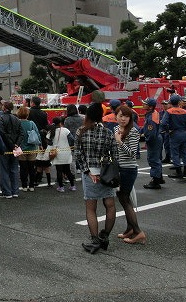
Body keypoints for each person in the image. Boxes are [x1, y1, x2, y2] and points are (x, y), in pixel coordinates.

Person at [74, 103, 118, 254]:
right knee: (110, 205)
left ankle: (94, 241)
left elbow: (78, 155)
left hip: (90, 174)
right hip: (106, 173)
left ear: (87, 116)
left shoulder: (81, 131)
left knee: (91, 208)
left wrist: (87, 171)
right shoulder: (107, 132)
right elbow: (115, 154)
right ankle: (105, 236)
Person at [113, 105, 146, 244]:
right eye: (120, 115)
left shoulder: (133, 131)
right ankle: (129, 229)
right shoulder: (115, 129)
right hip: (119, 168)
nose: (123, 119)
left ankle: (138, 232)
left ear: (130, 117)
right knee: (123, 199)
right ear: (116, 116)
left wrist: (120, 142)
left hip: (128, 169)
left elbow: (133, 153)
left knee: (125, 199)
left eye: (126, 116)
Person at [0, 101, 23, 198]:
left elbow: (2, 133)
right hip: (15, 147)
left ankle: (7, 192)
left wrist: (11, 145)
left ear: (4, 108)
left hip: (4, 147)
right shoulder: (16, 119)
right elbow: (21, 133)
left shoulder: (1, 118)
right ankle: (15, 191)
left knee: (4, 170)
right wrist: (16, 145)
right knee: (14, 169)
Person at [162, 94, 186, 179]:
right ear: (179, 102)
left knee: (175, 153)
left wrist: (168, 130)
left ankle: (178, 172)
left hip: (175, 133)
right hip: (184, 133)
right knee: (185, 152)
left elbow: (163, 123)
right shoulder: (185, 111)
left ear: (171, 102)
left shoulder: (169, 111)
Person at [140, 98, 164, 189]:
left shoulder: (151, 118)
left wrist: (147, 141)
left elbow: (151, 133)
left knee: (153, 160)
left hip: (154, 139)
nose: (143, 105)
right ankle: (159, 177)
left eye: (145, 104)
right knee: (157, 159)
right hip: (157, 138)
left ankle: (155, 181)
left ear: (150, 107)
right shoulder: (153, 114)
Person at [48, 117, 76, 192]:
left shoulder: (51, 131)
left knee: (59, 170)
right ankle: (73, 186)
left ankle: (61, 187)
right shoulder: (65, 130)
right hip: (66, 151)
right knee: (68, 170)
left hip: (56, 152)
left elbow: (49, 142)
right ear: (60, 123)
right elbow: (72, 139)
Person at [16, 106, 40, 191]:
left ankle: (24, 185)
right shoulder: (31, 123)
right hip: (32, 148)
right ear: (27, 114)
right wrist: (40, 144)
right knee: (32, 168)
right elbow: (37, 134)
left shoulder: (17, 123)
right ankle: (32, 186)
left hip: (21, 148)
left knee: (23, 168)